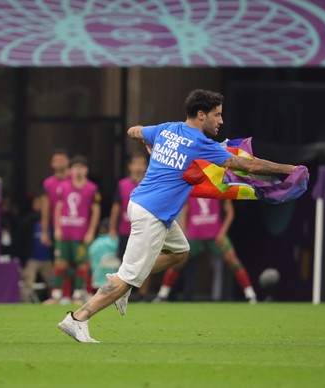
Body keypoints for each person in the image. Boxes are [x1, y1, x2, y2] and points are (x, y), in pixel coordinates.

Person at [57, 89, 299, 343]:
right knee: (127, 276)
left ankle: (124, 282)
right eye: (217, 115)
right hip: (152, 212)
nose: (221, 121)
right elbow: (249, 165)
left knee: (179, 252)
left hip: (142, 204)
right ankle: (78, 318)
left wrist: (146, 140)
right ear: (201, 114)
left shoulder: (165, 129)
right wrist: (288, 169)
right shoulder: (200, 143)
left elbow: (134, 130)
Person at [153, 198, 257, 303]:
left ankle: (250, 295)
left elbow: (230, 212)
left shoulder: (219, 187)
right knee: (177, 261)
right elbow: (186, 209)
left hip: (216, 234)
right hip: (194, 233)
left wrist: (223, 233)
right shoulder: (192, 186)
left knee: (232, 260)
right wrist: (183, 231)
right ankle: (162, 295)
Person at [45, 155, 101, 304]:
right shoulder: (63, 187)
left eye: (82, 168)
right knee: (61, 263)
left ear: (86, 170)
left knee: (82, 264)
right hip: (65, 232)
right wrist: (57, 228)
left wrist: (91, 232)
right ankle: (56, 295)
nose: (79, 171)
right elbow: (58, 207)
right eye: (76, 167)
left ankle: (77, 295)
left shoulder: (92, 188)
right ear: (70, 170)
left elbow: (96, 210)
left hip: (81, 234)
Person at [108, 151, 150, 300]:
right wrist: (112, 227)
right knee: (123, 262)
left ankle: (143, 294)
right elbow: (116, 207)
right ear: (130, 166)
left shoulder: (151, 182)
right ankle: (121, 293)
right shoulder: (122, 184)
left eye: (141, 163)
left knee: (145, 262)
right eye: (135, 163)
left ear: (146, 166)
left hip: (145, 229)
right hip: (125, 230)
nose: (138, 166)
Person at [15, 194, 54, 302]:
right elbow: (20, 240)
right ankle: (24, 302)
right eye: (38, 203)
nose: (40, 205)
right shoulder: (28, 220)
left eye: (42, 203)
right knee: (28, 282)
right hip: (32, 258)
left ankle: (54, 300)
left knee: (53, 282)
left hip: (47, 259)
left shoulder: (52, 221)